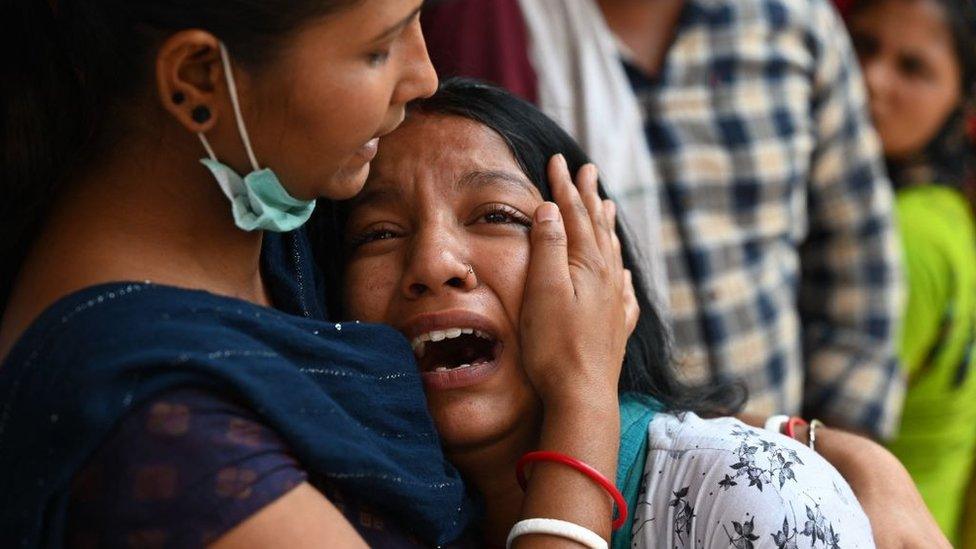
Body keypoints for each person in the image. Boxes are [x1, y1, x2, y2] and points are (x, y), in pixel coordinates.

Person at [0, 2, 639, 546]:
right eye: (379, 49)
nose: (424, 76)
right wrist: (583, 402)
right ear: (199, 78)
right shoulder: (161, 431)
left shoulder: (276, 219)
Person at [325, 78, 945, 548]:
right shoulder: (326, 511)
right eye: (378, 233)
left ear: (600, 269)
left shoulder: (743, 497)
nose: (432, 261)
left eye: (495, 216)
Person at [422, 0, 906, 441]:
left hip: (780, 467)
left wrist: (833, 457)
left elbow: (858, 259)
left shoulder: (792, 22)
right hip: (585, 468)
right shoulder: (496, 30)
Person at [843, 0, 976, 544]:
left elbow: (836, 431)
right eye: (865, 45)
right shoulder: (944, 212)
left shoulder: (903, 238)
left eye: (913, 68)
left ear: (961, 101)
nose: (872, 79)